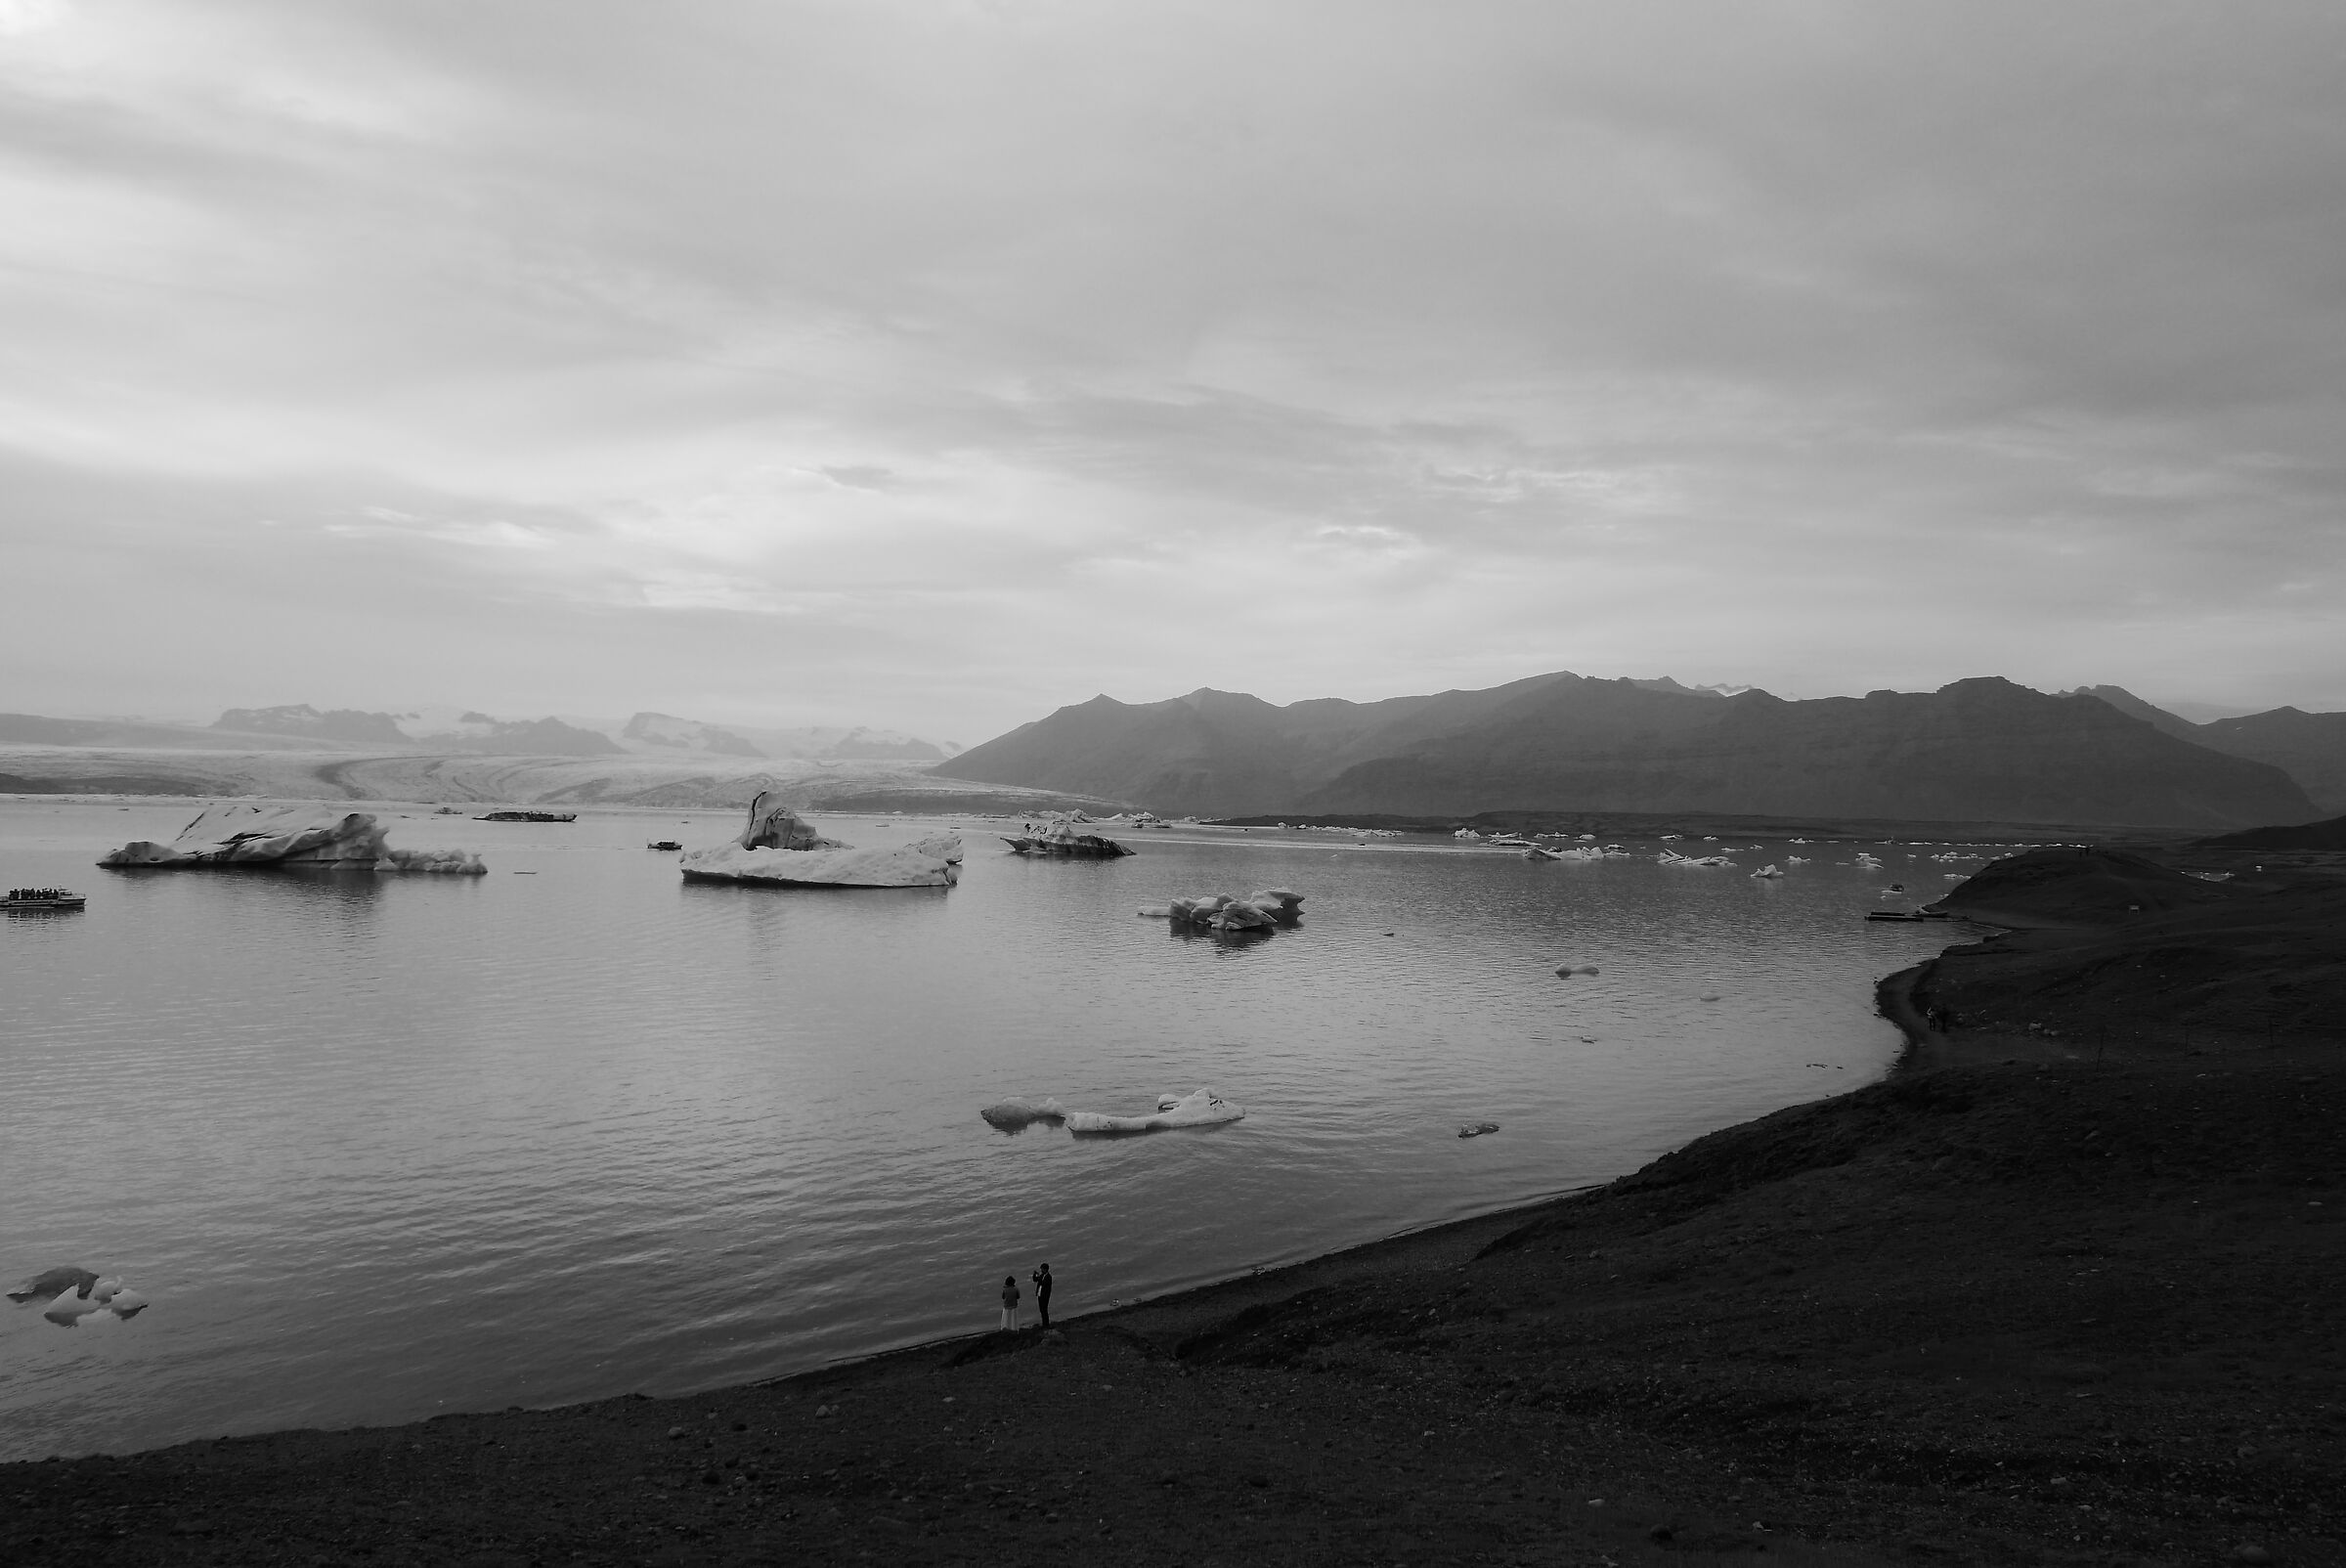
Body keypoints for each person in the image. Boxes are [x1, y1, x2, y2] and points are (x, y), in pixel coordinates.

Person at [1030, 1262, 1053, 1329]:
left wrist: (1038, 1277)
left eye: (1042, 1269)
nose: (1041, 1270)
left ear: (1045, 1269)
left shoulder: (1048, 1277)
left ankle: (1046, 1324)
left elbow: (1044, 1283)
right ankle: (1044, 1323)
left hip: (1045, 1296)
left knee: (1044, 1310)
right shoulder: (1042, 1275)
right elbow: (1035, 1280)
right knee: (1042, 1310)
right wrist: (1035, 1275)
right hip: (1040, 1295)